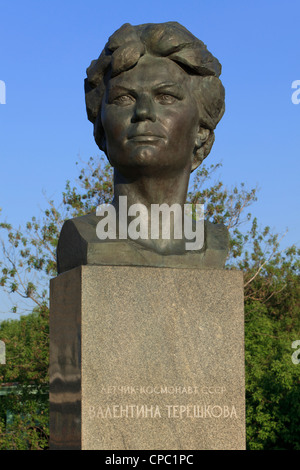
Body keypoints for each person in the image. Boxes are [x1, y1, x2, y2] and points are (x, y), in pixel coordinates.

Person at [57, 22, 228, 274]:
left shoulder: (213, 242)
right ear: (101, 130)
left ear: (201, 131)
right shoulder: (83, 236)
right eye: (123, 98)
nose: (144, 112)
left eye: (166, 97)